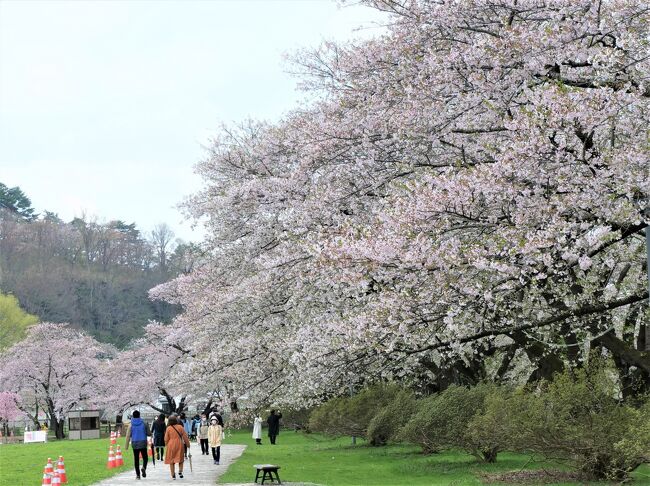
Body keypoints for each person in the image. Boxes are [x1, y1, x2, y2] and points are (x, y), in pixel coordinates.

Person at [125, 410, 150, 480]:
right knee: (145, 457)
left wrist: (126, 446)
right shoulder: (144, 423)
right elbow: (149, 433)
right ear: (139, 415)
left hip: (135, 443)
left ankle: (138, 475)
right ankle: (144, 467)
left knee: (136, 459)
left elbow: (128, 436)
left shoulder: (131, 425)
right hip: (143, 442)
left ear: (133, 416)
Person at [164, 414, 190, 480]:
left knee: (171, 460)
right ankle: (180, 471)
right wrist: (188, 445)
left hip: (171, 444)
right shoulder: (180, 427)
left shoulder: (168, 428)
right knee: (180, 458)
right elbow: (185, 437)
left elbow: (166, 439)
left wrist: (167, 444)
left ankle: (173, 475)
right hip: (179, 444)